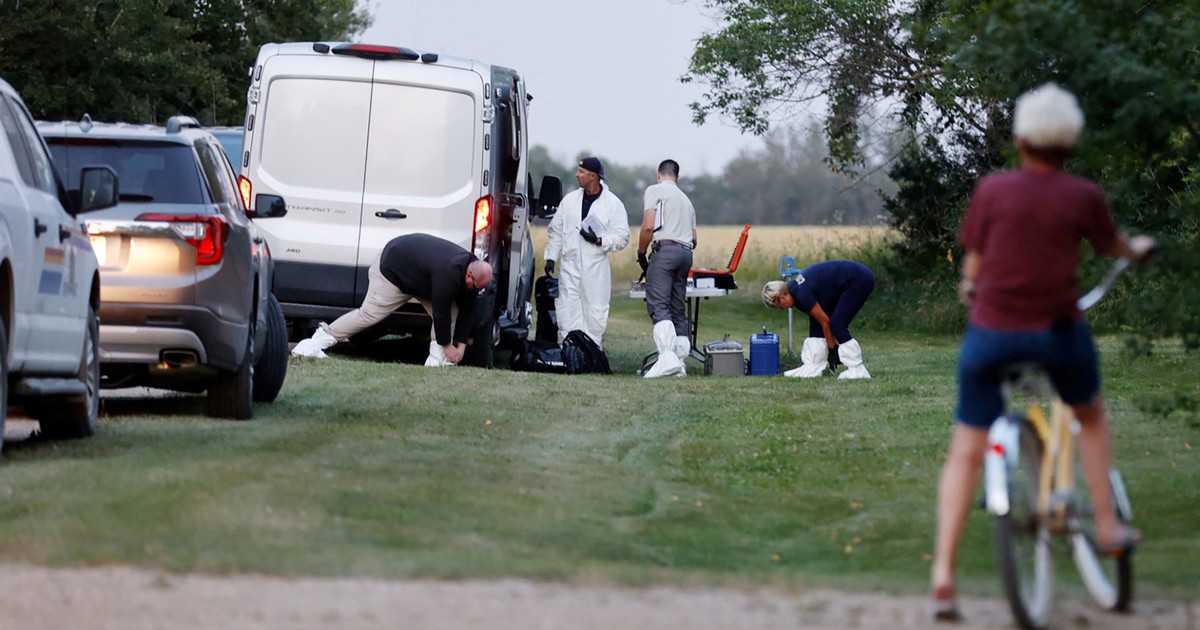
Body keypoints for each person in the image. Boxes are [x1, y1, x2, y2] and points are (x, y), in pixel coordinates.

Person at [929, 83, 1155, 622]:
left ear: (1021, 138)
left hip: (991, 335)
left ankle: (942, 574)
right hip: (1057, 334)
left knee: (966, 449)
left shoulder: (991, 191)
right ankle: (1105, 523)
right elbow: (1115, 246)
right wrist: (1137, 249)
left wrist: (971, 290)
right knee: (1091, 415)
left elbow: (974, 269)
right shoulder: (1082, 196)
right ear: (1069, 142)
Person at [291, 233, 494, 365]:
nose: (477, 291)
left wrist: (461, 347)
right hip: (392, 270)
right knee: (369, 314)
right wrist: (449, 346)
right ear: (469, 276)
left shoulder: (474, 276)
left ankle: (437, 362)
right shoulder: (448, 273)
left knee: (453, 312)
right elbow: (440, 312)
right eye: (476, 287)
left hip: (420, 278)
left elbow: (467, 309)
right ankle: (314, 343)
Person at [543, 156, 630, 349]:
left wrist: (599, 240)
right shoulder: (569, 201)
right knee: (567, 309)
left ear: (593, 176)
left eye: (581, 172)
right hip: (570, 266)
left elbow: (622, 237)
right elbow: (556, 230)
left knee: (596, 312)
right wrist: (551, 257)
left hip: (595, 268)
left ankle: (592, 353)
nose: (576, 175)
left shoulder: (612, 204)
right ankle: (568, 352)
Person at [761, 261, 875, 379]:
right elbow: (818, 320)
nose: (781, 309)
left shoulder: (801, 294)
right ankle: (814, 366)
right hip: (845, 282)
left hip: (858, 279)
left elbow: (825, 321)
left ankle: (857, 369)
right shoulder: (796, 291)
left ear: (782, 297)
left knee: (837, 324)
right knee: (816, 325)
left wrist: (832, 350)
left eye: (779, 306)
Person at [637, 159, 698, 378]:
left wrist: (641, 252)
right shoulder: (686, 200)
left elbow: (648, 226)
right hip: (685, 253)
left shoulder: (654, 190)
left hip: (666, 252)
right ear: (677, 177)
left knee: (659, 305)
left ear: (658, 174)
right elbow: (694, 238)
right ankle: (680, 363)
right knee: (677, 308)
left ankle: (667, 359)